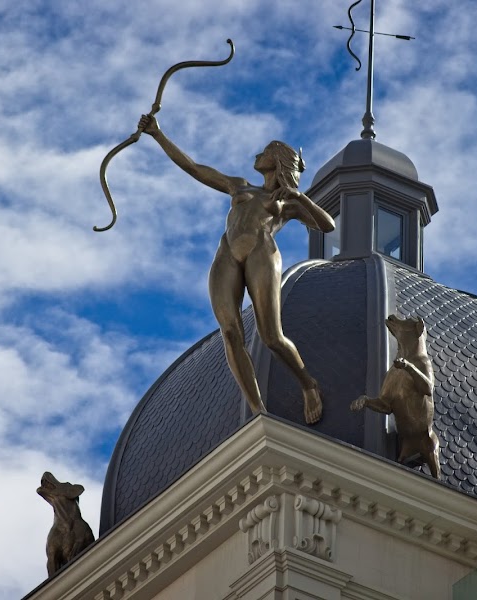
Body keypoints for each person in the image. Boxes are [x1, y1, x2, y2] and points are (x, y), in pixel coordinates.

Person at [139, 114, 335, 424]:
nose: (259, 155)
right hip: (227, 255)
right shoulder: (239, 186)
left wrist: (301, 197)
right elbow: (193, 168)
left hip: (261, 253)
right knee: (230, 332)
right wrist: (157, 134)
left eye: (266, 150)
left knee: (271, 337)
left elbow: (327, 224)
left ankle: (308, 384)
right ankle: (258, 410)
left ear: (278, 160)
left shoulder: (285, 202)